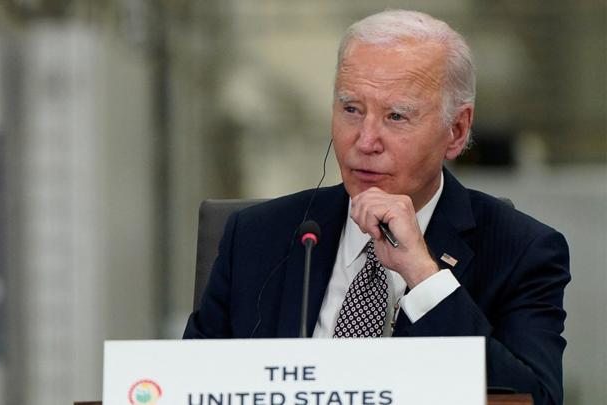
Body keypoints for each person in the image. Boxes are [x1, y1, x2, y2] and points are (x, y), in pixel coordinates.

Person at [183, 9, 570, 405]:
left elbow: (532, 400)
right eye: (351, 109)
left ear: (456, 131)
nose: (365, 141)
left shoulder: (523, 250)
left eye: (396, 116)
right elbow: (190, 389)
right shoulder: (255, 236)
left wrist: (424, 277)